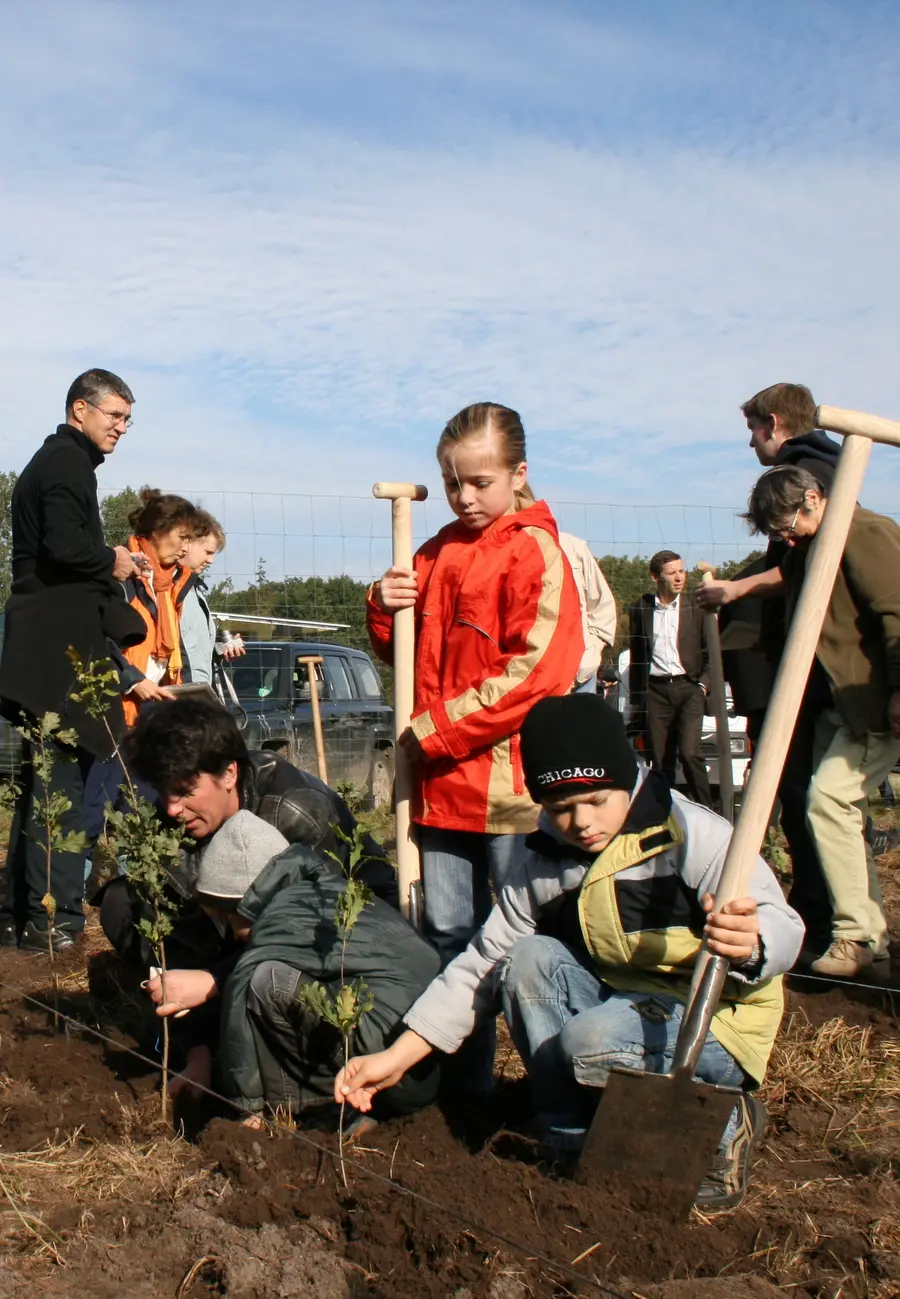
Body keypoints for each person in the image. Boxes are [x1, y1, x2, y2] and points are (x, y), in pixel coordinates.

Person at [334, 694, 803, 1211]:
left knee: (590, 1038)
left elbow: (784, 925)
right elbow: (481, 964)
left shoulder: (692, 837)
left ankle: (727, 1119)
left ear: (627, 779)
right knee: (527, 961)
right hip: (621, 1002)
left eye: (597, 801)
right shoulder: (547, 861)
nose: (580, 822)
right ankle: (569, 1134)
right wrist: (397, 1058)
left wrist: (753, 942)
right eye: (560, 808)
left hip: (715, 1021)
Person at [367, 402, 583, 1091]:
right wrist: (382, 603)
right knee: (448, 937)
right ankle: (468, 1087)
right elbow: (402, 653)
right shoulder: (433, 552)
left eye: (480, 482)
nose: (464, 497)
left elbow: (539, 671)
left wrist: (436, 729)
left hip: (512, 791)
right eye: (452, 482)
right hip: (440, 790)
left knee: (524, 943)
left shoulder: (535, 553)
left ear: (519, 474)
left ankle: (557, 1083)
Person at [145, 809, 440, 1116]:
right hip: (423, 1050)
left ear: (242, 904)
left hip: (391, 1067)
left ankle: (305, 1110)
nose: (230, 931)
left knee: (267, 981)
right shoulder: (319, 892)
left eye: (226, 917)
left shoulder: (282, 920)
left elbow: (238, 1011)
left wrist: (244, 1106)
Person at [0, 368, 146, 951]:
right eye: (114, 416)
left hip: (39, 649)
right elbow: (63, 545)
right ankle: (53, 924)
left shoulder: (55, 461)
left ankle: (17, 917)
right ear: (80, 409)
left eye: (128, 420)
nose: (121, 428)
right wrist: (112, 560)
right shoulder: (66, 462)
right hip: (59, 656)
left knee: (42, 787)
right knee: (61, 786)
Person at [98, 696, 399, 976]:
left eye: (184, 792)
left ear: (229, 773)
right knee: (121, 903)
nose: (172, 808)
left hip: (342, 938)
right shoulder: (173, 809)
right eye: (163, 792)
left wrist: (214, 980)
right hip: (238, 928)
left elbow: (313, 929)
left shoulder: (295, 812)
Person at [739, 466, 900, 977]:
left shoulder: (864, 532)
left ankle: (856, 935)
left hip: (873, 703)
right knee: (838, 812)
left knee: (828, 801)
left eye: (788, 526)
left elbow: (897, 610)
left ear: (813, 497)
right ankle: (870, 939)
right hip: (837, 707)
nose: (786, 539)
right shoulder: (809, 549)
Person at [699, 383, 842, 953]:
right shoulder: (823, 468)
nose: (751, 443)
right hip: (805, 660)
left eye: (753, 431)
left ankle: (821, 919)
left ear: (774, 423)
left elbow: (804, 564)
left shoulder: (806, 477)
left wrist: (736, 590)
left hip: (807, 664)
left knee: (805, 794)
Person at [628, 550, 713, 809]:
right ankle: (666, 813)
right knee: (659, 758)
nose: (679, 578)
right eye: (672, 573)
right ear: (656, 577)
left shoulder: (696, 605)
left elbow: (711, 650)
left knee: (689, 753)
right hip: (656, 691)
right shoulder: (641, 608)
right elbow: (637, 656)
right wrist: (637, 701)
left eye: (681, 571)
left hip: (690, 688)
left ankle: (708, 812)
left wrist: (703, 685)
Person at [118, 488, 201, 725]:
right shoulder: (121, 575)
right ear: (157, 530)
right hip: (118, 706)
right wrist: (133, 680)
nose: (186, 548)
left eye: (190, 540)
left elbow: (176, 648)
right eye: (183, 537)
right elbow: (97, 641)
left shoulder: (172, 583)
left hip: (155, 705)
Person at [178, 510, 245, 687]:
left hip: (197, 691)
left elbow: (190, 647)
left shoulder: (195, 590)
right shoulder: (165, 589)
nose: (211, 560)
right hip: (178, 692)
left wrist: (219, 650)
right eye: (207, 552)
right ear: (187, 543)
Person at [558, 532, 617, 693]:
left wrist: (594, 646)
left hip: (580, 674)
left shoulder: (573, 546)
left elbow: (601, 603)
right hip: (531, 677)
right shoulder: (509, 545)